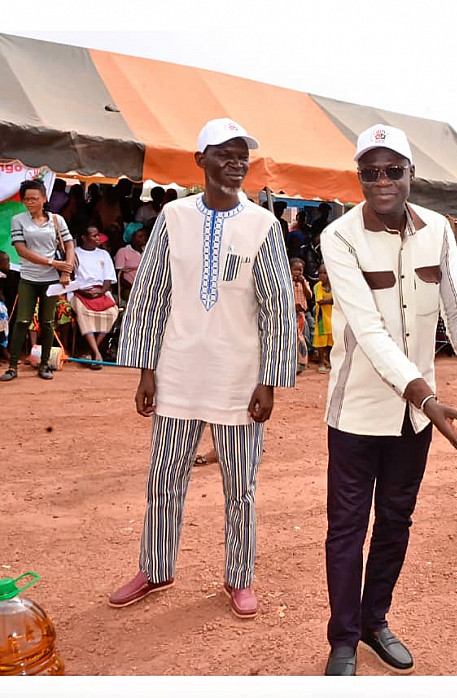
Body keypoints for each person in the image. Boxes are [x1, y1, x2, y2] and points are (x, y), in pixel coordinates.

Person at [107, 118, 296, 620]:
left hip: (239, 378)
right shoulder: (173, 217)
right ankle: (156, 566)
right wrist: (145, 370)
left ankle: (239, 577)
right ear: (200, 161)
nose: (236, 161)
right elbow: (150, 293)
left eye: (242, 154)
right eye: (225, 152)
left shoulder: (264, 226)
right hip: (177, 372)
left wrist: (269, 381)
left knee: (241, 485)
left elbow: (276, 305)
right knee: (164, 477)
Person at [320, 123, 457, 676]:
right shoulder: (340, 237)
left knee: (396, 520)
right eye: (370, 172)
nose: (382, 181)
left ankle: (375, 620)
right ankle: (343, 639)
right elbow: (367, 331)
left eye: (393, 171)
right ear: (360, 178)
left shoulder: (437, 229)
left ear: (412, 175)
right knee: (347, 527)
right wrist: (427, 399)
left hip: (414, 420)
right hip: (358, 412)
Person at [1, 180, 75, 382]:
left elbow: (69, 246)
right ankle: (13, 366)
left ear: (44, 198)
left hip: (51, 280)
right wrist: (54, 263)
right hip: (28, 277)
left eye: (34, 198)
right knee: (22, 320)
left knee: (48, 322)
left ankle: (44, 365)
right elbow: (22, 250)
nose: (30, 202)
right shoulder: (18, 220)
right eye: (26, 199)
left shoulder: (57, 220)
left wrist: (66, 270)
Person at [69, 225, 120, 367]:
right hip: (79, 292)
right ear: (84, 238)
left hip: (100, 291)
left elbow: (109, 278)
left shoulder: (103, 254)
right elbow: (70, 278)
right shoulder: (74, 254)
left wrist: (101, 292)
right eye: (94, 236)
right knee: (83, 312)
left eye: (98, 235)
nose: (98, 238)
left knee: (113, 312)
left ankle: (92, 350)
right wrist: (83, 291)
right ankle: (97, 355)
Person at [115, 222, 149, 303]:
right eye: (140, 236)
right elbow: (119, 275)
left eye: (145, 236)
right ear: (132, 238)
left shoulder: (147, 251)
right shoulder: (123, 251)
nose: (144, 238)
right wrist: (134, 287)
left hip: (146, 287)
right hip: (129, 288)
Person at [289, 257, 312, 374]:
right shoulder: (287, 282)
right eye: (295, 270)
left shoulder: (304, 282)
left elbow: (309, 296)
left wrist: (302, 283)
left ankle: (302, 363)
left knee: (300, 336)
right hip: (288, 313)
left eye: (300, 270)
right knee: (290, 337)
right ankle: (292, 362)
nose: (298, 272)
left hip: (300, 314)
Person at [313, 263, 333, 373]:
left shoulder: (335, 286)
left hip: (332, 319)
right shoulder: (317, 287)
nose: (322, 275)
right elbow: (320, 301)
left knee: (331, 342)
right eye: (320, 273)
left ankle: (329, 361)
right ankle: (321, 363)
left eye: (325, 273)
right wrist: (334, 301)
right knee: (321, 343)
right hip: (322, 320)